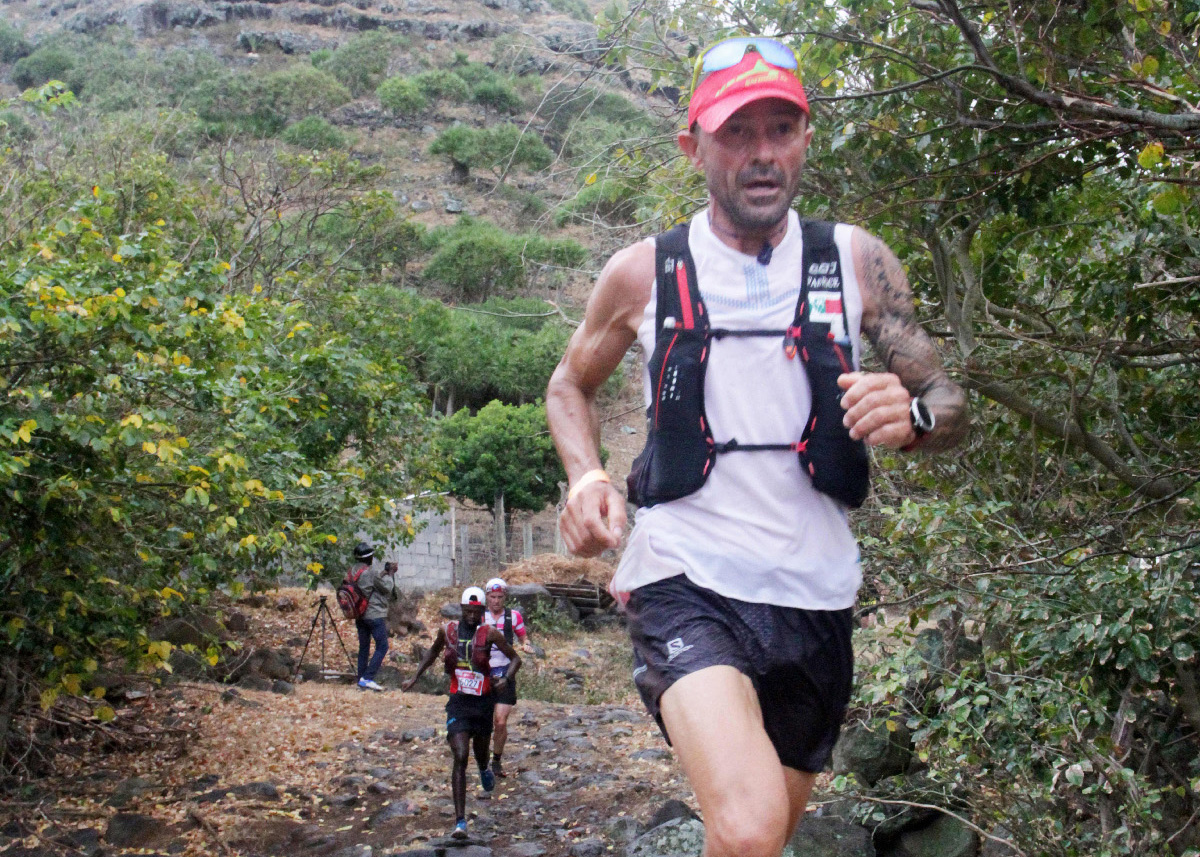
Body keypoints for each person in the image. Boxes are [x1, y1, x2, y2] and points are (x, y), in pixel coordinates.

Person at [545, 36, 969, 857]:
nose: (762, 153)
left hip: (815, 596)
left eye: (781, 128)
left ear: (807, 136)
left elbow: (949, 400)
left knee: (762, 838)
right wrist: (586, 472)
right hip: (686, 575)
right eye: (737, 131)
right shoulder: (643, 273)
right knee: (743, 830)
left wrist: (914, 415)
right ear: (693, 145)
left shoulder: (855, 261)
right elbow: (569, 385)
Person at [403, 586, 522, 840]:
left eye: (475, 612)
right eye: (467, 611)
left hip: (482, 703)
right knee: (459, 755)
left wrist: (505, 679)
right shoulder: (447, 631)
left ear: (482, 611)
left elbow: (515, 659)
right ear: (461, 609)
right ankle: (460, 822)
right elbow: (433, 652)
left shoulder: (489, 633)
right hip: (458, 702)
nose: (471, 616)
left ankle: (484, 767)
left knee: (479, 752)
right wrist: (415, 676)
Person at [480, 577, 535, 778]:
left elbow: (523, 637)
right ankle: (482, 759)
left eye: (500, 597)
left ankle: (496, 761)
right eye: (493, 597)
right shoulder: (479, 617)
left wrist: (526, 645)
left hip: (506, 671)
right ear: (487, 597)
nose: (496, 601)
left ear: (505, 597)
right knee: (483, 721)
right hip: (483, 672)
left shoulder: (514, 616)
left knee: (500, 721)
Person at [350, 543, 395, 692]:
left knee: (364, 647)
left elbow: (370, 584)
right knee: (382, 646)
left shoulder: (352, 571)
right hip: (374, 615)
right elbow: (387, 588)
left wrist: (382, 573)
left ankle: (361, 680)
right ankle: (368, 678)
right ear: (369, 558)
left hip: (359, 614)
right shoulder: (370, 572)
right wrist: (390, 574)